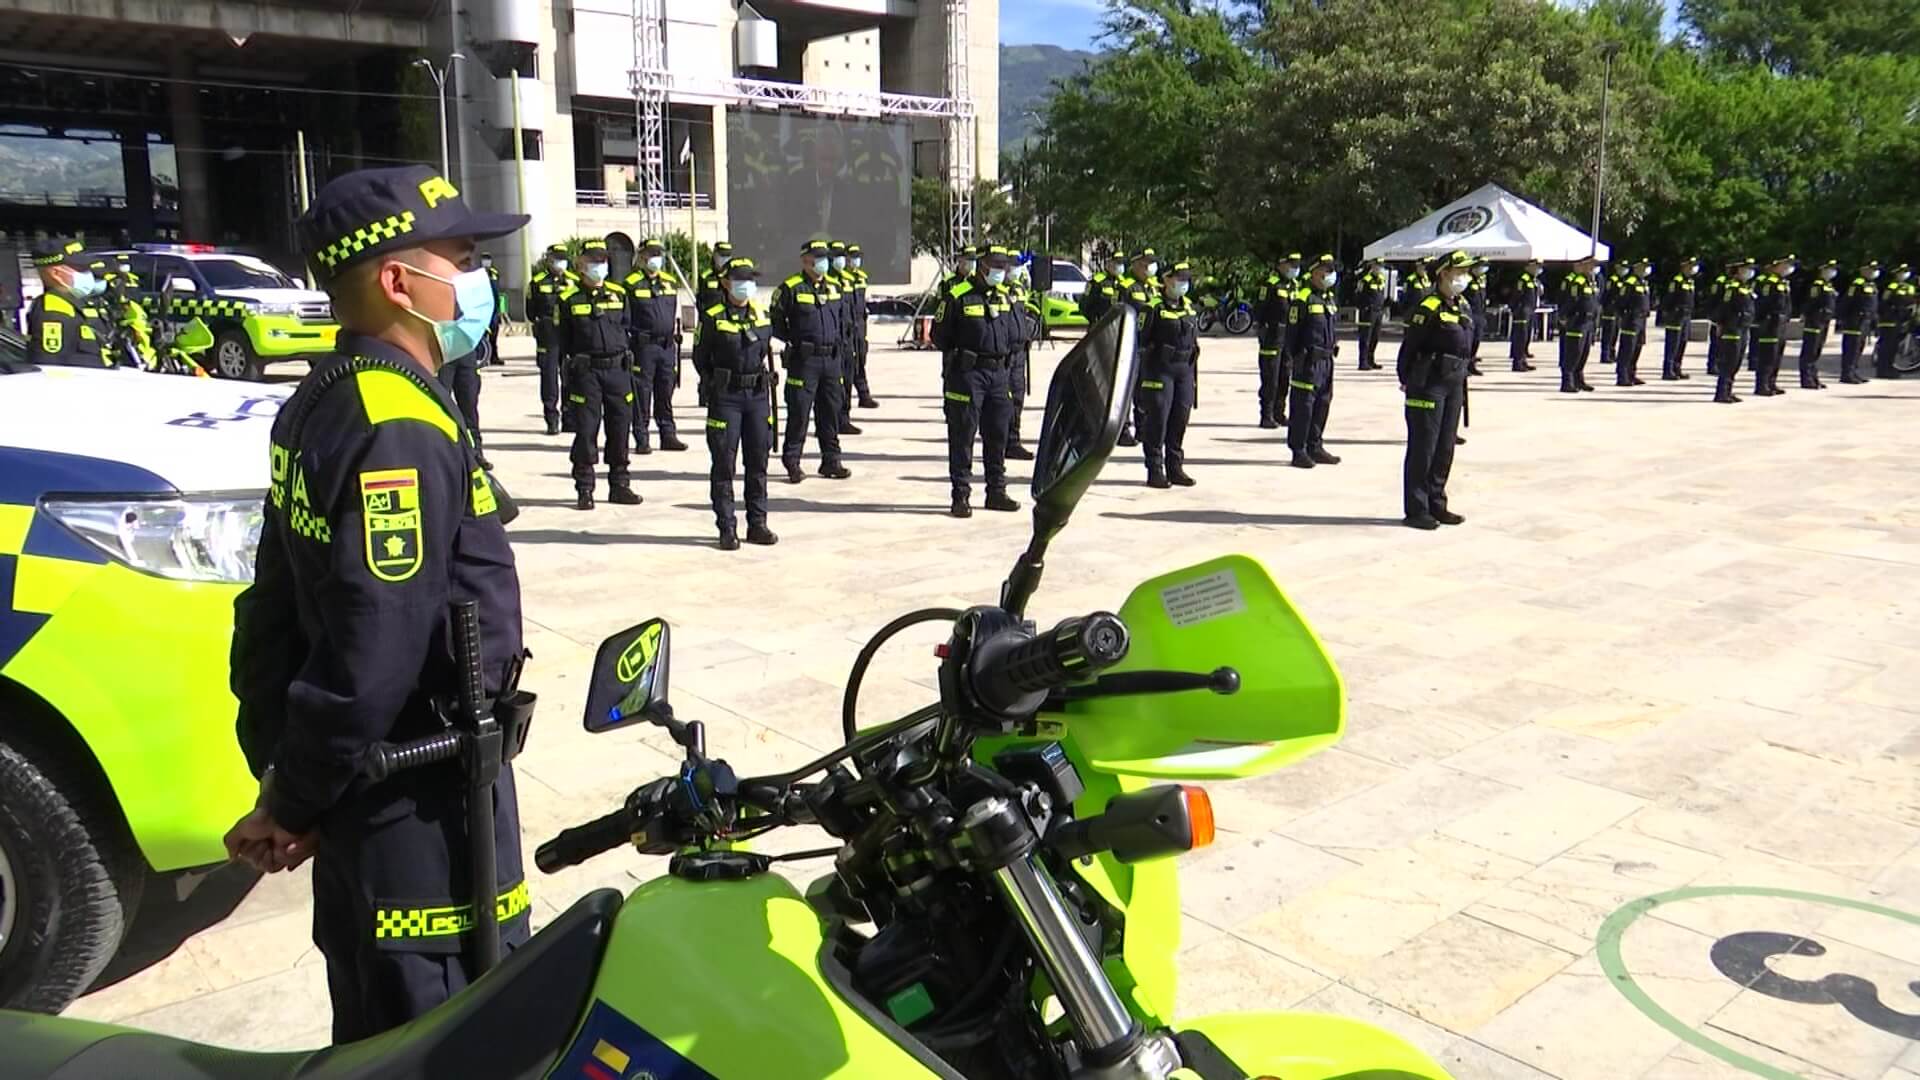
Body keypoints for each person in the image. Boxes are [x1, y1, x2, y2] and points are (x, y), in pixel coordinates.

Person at [225, 164, 529, 1042]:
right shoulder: (395, 423)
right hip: (421, 803)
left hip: (380, 790)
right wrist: (298, 798)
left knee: (377, 1017)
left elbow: (271, 614)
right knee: (440, 1033)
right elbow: (373, 647)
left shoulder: (326, 396)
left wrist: (288, 777)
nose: (480, 284)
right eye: (464, 260)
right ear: (400, 282)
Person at [693, 257, 779, 550]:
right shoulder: (713, 317)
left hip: (756, 396)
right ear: (726, 283)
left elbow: (766, 348)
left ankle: (758, 523)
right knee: (724, 464)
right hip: (726, 397)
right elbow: (700, 358)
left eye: (751, 280)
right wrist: (714, 382)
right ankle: (727, 527)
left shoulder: (761, 315)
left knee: (758, 461)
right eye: (741, 280)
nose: (747, 285)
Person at [931, 244, 1022, 518]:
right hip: (967, 375)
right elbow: (940, 336)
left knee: (997, 435)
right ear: (981, 265)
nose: (1001, 270)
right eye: (996, 265)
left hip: (998, 374)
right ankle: (961, 495)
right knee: (963, 435)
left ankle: (996, 491)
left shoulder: (1005, 297)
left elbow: (1017, 334)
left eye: (1003, 266)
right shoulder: (957, 295)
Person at [559, 240, 640, 508]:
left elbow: (627, 330)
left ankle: (620, 484)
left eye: (603, 261)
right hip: (587, 373)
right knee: (586, 431)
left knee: (619, 428)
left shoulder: (619, 294)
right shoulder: (568, 300)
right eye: (594, 261)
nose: (599, 266)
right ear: (581, 265)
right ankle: (585, 487)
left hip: (617, 370)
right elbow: (563, 342)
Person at [1398, 251, 1476, 531]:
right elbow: (1409, 348)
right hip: (1428, 384)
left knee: (1444, 448)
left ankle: (1437, 503)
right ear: (1443, 273)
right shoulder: (1427, 308)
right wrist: (1407, 380)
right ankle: (1416, 508)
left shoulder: (1461, 305)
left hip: (1454, 382)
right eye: (1459, 271)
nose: (1464, 277)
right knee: (1424, 448)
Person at [770, 239, 851, 484]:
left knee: (831, 411)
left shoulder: (836, 287)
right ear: (806, 261)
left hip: (831, 358)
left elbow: (843, 320)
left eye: (825, 258)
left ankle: (831, 460)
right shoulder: (790, 288)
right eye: (818, 258)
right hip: (804, 361)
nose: (824, 263)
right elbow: (775, 322)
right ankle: (792, 461)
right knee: (800, 411)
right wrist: (795, 341)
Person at [1137, 261, 1202, 488]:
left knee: (1180, 419)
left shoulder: (1189, 307)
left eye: (1186, 279)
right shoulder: (1153, 307)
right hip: (1160, 370)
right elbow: (1140, 342)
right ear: (1166, 280)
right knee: (1158, 421)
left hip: (1184, 370)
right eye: (1179, 279)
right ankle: (1155, 469)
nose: (1183, 283)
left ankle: (1175, 467)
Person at [623, 237, 686, 455]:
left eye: (658, 255)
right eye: (650, 255)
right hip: (643, 346)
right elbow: (626, 318)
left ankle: (668, 434)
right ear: (641, 257)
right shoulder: (630, 283)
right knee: (642, 393)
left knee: (665, 390)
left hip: (667, 346)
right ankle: (642, 437)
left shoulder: (669, 282)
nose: (654, 259)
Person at [1286, 254, 1341, 470]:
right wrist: (1296, 360)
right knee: (1303, 407)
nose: (1330, 275)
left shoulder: (1328, 298)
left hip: (1327, 361)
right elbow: (1292, 334)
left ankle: (1315, 446)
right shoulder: (1303, 298)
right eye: (1326, 271)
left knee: (1322, 404)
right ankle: (1298, 450)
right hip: (1307, 362)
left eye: (1331, 271)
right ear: (1315, 272)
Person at [26, 239, 115, 368]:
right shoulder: (53, 311)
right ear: (56, 273)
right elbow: (50, 366)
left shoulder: (79, 302)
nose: (88, 274)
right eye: (81, 269)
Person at [1117, 248, 1162, 446]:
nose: (1149, 267)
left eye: (1151, 263)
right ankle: (1122, 429)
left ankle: (1143, 428)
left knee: (1145, 389)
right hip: (1129, 344)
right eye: (1144, 263)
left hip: (1149, 346)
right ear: (1134, 265)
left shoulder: (1153, 287)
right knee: (1126, 388)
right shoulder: (1126, 287)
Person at [525, 244, 572, 434]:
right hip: (548, 337)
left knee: (570, 376)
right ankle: (552, 418)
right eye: (556, 258)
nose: (560, 263)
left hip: (569, 335)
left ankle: (570, 417)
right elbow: (530, 312)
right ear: (549, 259)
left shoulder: (574, 281)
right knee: (549, 378)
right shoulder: (537, 283)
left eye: (563, 258)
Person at [436, 320, 490, 470]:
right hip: (444, 351)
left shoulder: (471, 297)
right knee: (441, 405)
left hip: (467, 349)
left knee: (469, 406)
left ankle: (476, 452)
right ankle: (443, 453)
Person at [1254, 252, 1300, 427]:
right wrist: (1263, 330)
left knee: (1284, 377)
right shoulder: (1270, 285)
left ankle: (1279, 413)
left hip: (1288, 336)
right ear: (1281, 265)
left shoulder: (1294, 286)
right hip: (1272, 336)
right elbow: (1259, 309)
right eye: (1291, 265)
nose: (1294, 269)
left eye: (1296, 266)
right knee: (1270, 378)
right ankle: (1266, 415)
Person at [1003, 259, 1040, 460]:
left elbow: (1024, 312)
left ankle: (1013, 441)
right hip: (1003, 354)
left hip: (1020, 352)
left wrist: (1030, 328)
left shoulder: (1019, 288)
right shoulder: (996, 291)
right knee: (1001, 401)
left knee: (1017, 397)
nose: (1014, 271)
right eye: (1011, 266)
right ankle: (998, 441)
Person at [826, 240, 863, 436]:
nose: (841, 260)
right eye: (836, 257)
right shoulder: (826, 283)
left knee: (847, 380)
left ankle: (844, 418)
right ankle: (830, 422)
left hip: (848, 340)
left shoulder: (848, 280)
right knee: (832, 388)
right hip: (832, 343)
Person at [1748, 254, 1794, 397]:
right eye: (1785, 265)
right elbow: (1763, 304)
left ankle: (1771, 382)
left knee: (1776, 355)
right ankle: (1762, 385)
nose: (1788, 268)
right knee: (1767, 355)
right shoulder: (1769, 282)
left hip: (1781, 323)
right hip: (1770, 323)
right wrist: (1762, 321)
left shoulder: (1783, 282)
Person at [1712, 257, 1756, 404]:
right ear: (1737, 272)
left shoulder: (1746, 288)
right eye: (1746, 269)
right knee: (1729, 361)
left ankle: (1728, 391)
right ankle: (1722, 393)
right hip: (1732, 328)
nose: (1749, 272)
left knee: (1736, 362)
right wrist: (1720, 324)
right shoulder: (1732, 288)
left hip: (1743, 328)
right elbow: (1724, 308)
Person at [1558, 256, 1600, 393]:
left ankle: (1579, 380)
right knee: (1573, 352)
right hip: (1577, 321)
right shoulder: (1577, 282)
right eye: (1590, 266)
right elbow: (1570, 301)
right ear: (1582, 266)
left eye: (1594, 266)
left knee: (1584, 352)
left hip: (1588, 322)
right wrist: (1564, 316)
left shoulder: (1591, 283)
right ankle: (1567, 382)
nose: (1592, 269)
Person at [1797, 260, 1839, 390]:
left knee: (1816, 350)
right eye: (1829, 269)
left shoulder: (1829, 285)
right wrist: (1808, 316)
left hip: (1824, 321)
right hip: (1815, 320)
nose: (1832, 272)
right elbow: (1811, 302)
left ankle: (1814, 377)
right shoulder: (1817, 286)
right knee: (1810, 350)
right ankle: (1807, 379)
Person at [846, 243, 879, 409]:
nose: (855, 261)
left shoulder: (861, 277)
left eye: (857, 258)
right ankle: (845, 404)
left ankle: (864, 395)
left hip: (860, 326)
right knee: (847, 365)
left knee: (860, 361)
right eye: (852, 257)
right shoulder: (841, 279)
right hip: (847, 328)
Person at [1837, 261, 1880, 384]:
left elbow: (1873, 305)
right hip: (1855, 321)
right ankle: (1847, 374)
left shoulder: (1871, 285)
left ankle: (1853, 372)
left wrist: (1874, 321)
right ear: (1863, 270)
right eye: (1871, 269)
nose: (1874, 272)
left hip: (1866, 321)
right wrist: (1845, 318)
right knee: (1851, 347)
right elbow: (1848, 302)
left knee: (1859, 347)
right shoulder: (1857, 284)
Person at [1613, 260, 1652, 387]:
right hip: (1632, 319)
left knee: (1637, 347)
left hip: (1642, 319)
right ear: (1636, 268)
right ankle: (1622, 376)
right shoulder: (1629, 283)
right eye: (1643, 267)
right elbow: (1621, 301)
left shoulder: (1643, 282)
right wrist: (1625, 316)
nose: (1646, 269)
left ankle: (1631, 373)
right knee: (1627, 348)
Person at [1659, 257, 1699, 381]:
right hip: (1675, 316)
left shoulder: (1690, 281)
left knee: (1682, 343)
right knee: (1672, 344)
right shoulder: (1677, 281)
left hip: (1686, 316)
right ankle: (1668, 370)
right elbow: (1669, 299)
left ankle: (1677, 368)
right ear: (1684, 267)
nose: (1693, 269)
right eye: (1690, 266)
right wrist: (1670, 313)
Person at [1875, 263, 1915, 379]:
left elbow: (1911, 303)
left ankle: (1889, 367)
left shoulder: (1910, 287)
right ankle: (1882, 369)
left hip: (1902, 321)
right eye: (1902, 272)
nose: (1904, 274)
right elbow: (1884, 303)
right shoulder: (1892, 286)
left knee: (1893, 347)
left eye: (1906, 272)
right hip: (1890, 320)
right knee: (1886, 346)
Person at [1509, 260, 1543, 372]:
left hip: (1530, 311)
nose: (1538, 269)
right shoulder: (1522, 279)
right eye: (1536, 266)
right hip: (1522, 312)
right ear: (1529, 266)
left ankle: (1523, 360)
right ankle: (1517, 363)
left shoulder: (1533, 280)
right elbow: (1516, 295)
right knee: (1520, 338)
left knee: (1527, 337)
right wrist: (1517, 310)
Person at [1354, 258, 1388, 371]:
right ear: (1372, 266)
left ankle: (1371, 360)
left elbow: (1381, 295)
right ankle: (1362, 362)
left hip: (1378, 311)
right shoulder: (1365, 280)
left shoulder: (1381, 279)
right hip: (1368, 312)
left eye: (1380, 266)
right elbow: (1358, 295)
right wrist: (1364, 308)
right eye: (1377, 266)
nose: (1379, 268)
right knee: (1365, 337)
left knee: (1375, 337)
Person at [1080, 249, 1124, 325]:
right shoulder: (1097, 281)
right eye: (1117, 263)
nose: (1120, 266)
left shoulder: (1123, 282)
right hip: (1100, 326)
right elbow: (1084, 304)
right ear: (1108, 263)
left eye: (1121, 263)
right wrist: (1095, 320)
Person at [1464, 261, 1490, 376]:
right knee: (1468, 342)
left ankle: (1472, 364)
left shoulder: (1481, 280)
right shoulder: (1467, 280)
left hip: (1480, 314)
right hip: (1471, 314)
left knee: (1476, 341)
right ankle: (1465, 366)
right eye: (1480, 266)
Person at [481, 252, 506, 366]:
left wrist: (500, 311)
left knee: (494, 335)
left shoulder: (494, 274)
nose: (487, 261)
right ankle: (482, 358)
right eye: (485, 259)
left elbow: (498, 293)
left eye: (488, 259)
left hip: (494, 310)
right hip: (482, 309)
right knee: (482, 335)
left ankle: (494, 357)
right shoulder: (478, 274)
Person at [696, 241, 733, 311]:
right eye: (722, 256)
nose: (725, 259)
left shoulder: (734, 276)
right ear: (715, 255)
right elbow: (700, 300)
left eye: (727, 256)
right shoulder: (705, 277)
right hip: (710, 319)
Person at [1597, 261, 1621, 366]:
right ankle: (1605, 354)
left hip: (1617, 311)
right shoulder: (1612, 280)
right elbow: (1606, 295)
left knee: (1615, 333)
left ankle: (1612, 353)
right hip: (1610, 310)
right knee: (1608, 334)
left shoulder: (1622, 280)